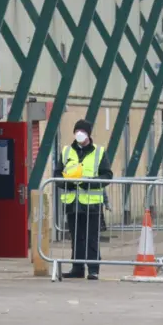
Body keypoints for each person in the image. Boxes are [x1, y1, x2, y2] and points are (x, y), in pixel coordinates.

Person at [54, 119, 113, 280]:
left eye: (83, 131)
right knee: (76, 236)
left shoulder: (99, 152)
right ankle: (77, 268)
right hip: (73, 202)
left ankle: (93, 269)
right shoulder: (67, 151)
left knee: (91, 237)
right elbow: (57, 173)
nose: (79, 134)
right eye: (77, 131)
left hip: (91, 203)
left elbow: (107, 175)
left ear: (88, 134)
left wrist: (91, 183)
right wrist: (66, 183)